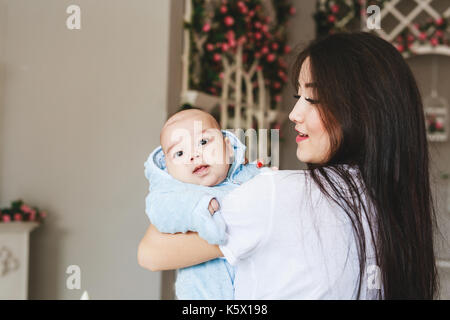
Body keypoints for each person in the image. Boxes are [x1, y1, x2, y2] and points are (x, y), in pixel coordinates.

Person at [138, 32, 439, 299]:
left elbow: (151, 254)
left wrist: (174, 182)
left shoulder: (279, 195)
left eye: (314, 97)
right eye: (299, 96)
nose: (294, 113)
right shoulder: (392, 208)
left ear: (363, 110)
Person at [144, 108, 268, 299]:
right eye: (179, 153)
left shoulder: (246, 177)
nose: (194, 155)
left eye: (203, 142)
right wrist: (196, 208)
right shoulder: (176, 195)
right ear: (168, 170)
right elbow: (159, 210)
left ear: (227, 148)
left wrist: (267, 177)